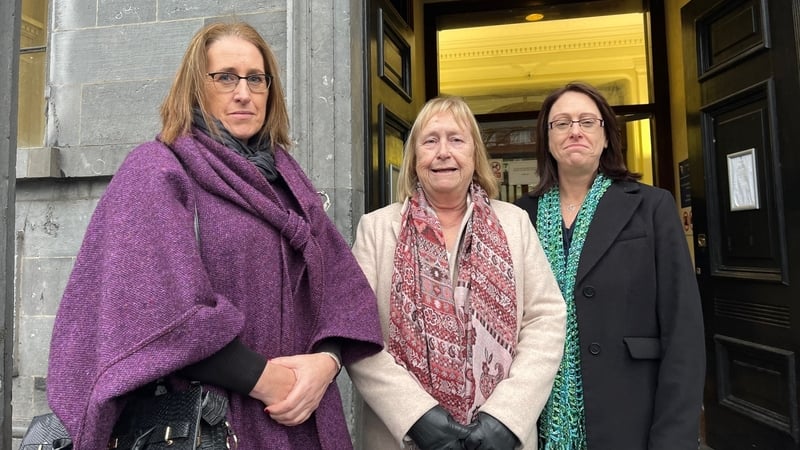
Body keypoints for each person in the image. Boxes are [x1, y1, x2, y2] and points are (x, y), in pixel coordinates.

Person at [46, 21, 383, 449]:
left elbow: (341, 291)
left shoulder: (288, 182)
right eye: (225, 77)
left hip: (303, 419)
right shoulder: (157, 170)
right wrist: (265, 380)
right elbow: (156, 312)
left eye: (256, 79)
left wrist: (327, 362)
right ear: (195, 87)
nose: (243, 92)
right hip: (211, 424)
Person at [348, 96, 567, 449]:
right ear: (415, 157)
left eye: (456, 139)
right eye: (430, 140)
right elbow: (358, 332)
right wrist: (417, 416)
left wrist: (505, 418)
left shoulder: (514, 223)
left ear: (475, 154)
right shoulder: (375, 229)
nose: (443, 152)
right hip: (403, 438)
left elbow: (546, 320)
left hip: (499, 440)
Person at [514, 82, 705, 449]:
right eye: (562, 123)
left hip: (631, 412)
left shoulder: (652, 206)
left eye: (587, 121)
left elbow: (683, 330)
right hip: (535, 416)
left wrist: (674, 438)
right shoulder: (521, 216)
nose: (575, 131)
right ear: (547, 139)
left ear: (606, 137)